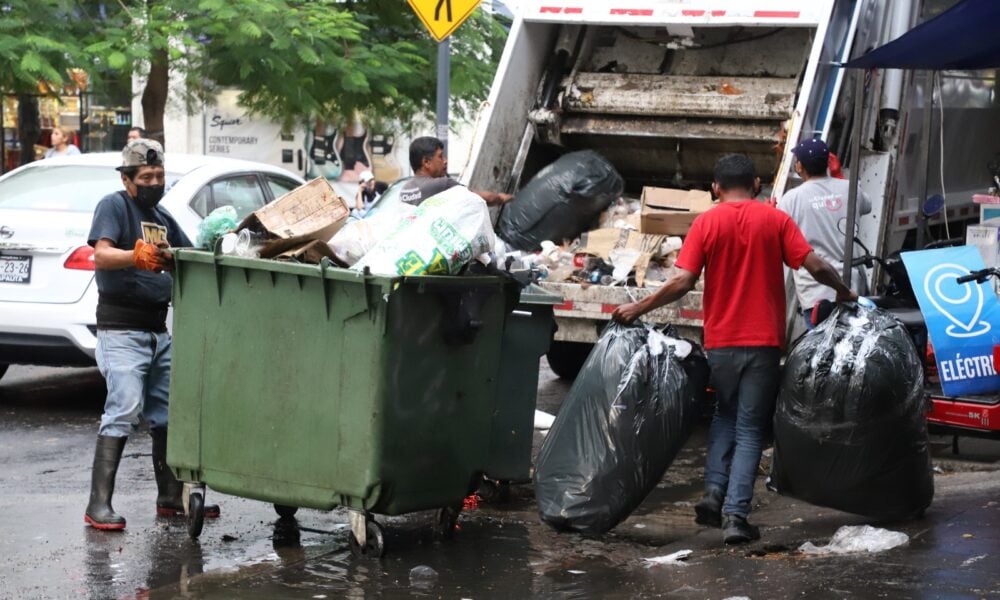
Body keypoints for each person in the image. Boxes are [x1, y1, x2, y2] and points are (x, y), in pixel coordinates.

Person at [613, 154, 856, 545]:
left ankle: (713, 494)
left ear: (715, 187)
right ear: (756, 183)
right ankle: (735, 516)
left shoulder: (706, 222)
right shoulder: (774, 219)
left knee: (726, 417)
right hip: (761, 344)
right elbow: (814, 264)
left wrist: (637, 307)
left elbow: (682, 282)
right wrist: (843, 291)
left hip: (721, 342)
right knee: (748, 428)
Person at [84, 138, 220, 530]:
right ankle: (98, 505)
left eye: (159, 175)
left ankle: (170, 496)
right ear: (128, 180)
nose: (154, 181)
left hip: (158, 331)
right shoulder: (114, 205)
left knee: (166, 414)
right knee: (124, 408)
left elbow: (187, 255)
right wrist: (135, 255)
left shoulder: (161, 216)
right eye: (146, 176)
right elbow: (101, 254)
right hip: (121, 329)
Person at [778, 139, 872, 329]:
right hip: (852, 286)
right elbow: (866, 206)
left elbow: (778, 234)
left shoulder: (791, 200)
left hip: (816, 294)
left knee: (823, 353)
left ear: (800, 166)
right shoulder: (849, 188)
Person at [399, 136, 513, 207]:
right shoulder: (441, 184)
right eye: (440, 157)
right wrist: (502, 198)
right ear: (426, 162)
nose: (445, 161)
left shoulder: (405, 190)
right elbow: (484, 198)